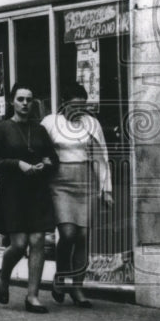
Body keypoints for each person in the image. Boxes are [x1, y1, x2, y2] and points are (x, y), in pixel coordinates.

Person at [0, 82, 59, 313]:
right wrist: (18, 164)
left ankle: (33, 296)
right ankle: (4, 276)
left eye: (29, 100)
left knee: (37, 242)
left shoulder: (39, 130)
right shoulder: (3, 129)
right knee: (18, 244)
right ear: (12, 102)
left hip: (37, 193)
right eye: (20, 99)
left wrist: (46, 164)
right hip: (13, 194)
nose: (25, 104)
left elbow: (54, 160)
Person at [42, 83, 113, 308]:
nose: (78, 111)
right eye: (74, 106)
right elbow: (37, 149)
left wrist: (106, 189)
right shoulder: (50, 122)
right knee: (68, 232)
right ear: (64, 103)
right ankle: (61, 277)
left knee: (83, 236)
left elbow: (101, 156)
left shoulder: (92, 124)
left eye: (82, 107)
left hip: (84, 181)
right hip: (59, 182)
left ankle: (78, 288)